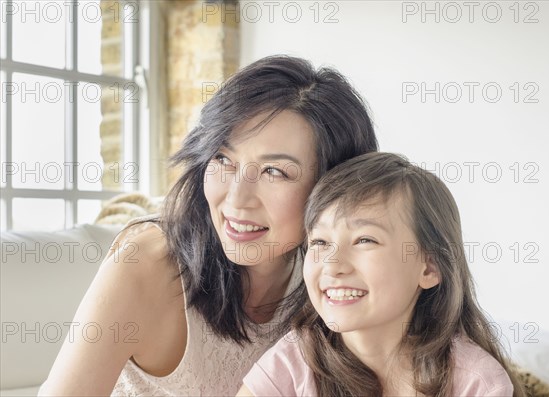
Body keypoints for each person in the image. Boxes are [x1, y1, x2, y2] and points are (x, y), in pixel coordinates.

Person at [39, 55, 378, 396]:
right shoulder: (146, 262)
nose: (236, 200)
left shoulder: (330, 282)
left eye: (274, 171)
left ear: (333, 185)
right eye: (222, 159)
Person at [240, 152, 527, 397]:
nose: (333, 264)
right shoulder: (293, 363)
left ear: (429, 267)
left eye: (365, 240)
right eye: (320, 242)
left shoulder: (476, 382)